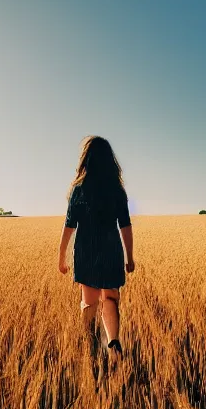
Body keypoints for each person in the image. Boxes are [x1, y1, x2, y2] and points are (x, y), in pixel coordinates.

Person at [58, 136, 134, 359]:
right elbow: (125, 226)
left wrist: (61, 257)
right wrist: (130, 257)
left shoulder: (79, 190)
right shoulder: (117, 190)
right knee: (110, 298)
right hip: (111, 249)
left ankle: (90, 342)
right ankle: (113, 341)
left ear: (86, 160)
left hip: (86, 250)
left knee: (89, 301)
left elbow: (69, 226)